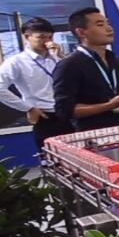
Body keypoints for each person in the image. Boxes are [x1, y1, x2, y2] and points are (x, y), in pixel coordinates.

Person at [53, 7, 119, 131]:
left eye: (108, 23)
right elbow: (64, 110)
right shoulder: (69, 65)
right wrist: (109, 105)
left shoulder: (118, 62)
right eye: (100, 25)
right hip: (92, 135)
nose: (109, 28)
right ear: (81, 32)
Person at [0, 17, 71, 150]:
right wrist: (28, 108)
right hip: (46, 117)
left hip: (71, 113)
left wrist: (62, 57)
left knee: (84, 157)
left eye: (50, 37)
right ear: (27, 36)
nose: (47, 41)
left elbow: (77, 78)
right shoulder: (16, 62)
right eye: (41, 37)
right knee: (53, 158)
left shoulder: (57, 57)